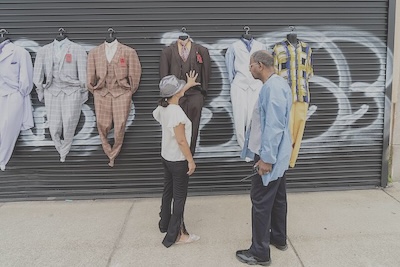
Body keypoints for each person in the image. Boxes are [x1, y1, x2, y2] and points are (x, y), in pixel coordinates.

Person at [236, 50, 292, 266]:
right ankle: (278, 237)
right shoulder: (278, 84)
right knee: (277, 198)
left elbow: (274, 126)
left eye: (250, 66)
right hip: (277, 152)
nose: (249, 70)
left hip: (270, 154)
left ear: (259, 65)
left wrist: (266, 159)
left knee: (260, 201)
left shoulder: (273, 88)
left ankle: (259, 252)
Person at [152, 70, 201, 247]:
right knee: (179, 198)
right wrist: (190, 160)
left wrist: (186, 85)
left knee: (168, 192)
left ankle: (164, 224)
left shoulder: (163, 107)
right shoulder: (177, 113)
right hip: (178, 161)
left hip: (166, 157)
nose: (183, 90)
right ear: (175, 93)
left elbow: (169, 101)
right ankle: (176, 235)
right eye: (180, 88)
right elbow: (181, 140)